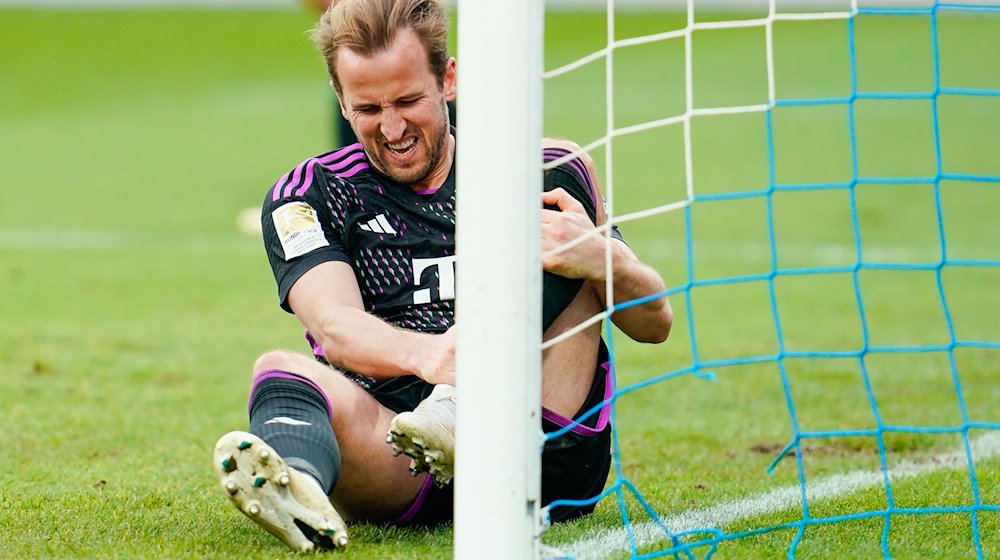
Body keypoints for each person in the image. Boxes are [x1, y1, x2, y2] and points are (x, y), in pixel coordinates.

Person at [212, 0, 672, 552]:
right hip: (405, 457)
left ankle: (453, 413)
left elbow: (654, 324)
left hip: (542, 452)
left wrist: (606, 260)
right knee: (278, 369)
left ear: (448, 79)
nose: (392, 126)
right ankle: (299, 485)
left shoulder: (543, 171)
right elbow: (335, 326)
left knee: (552, 236)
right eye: (368, 108)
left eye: (408, 100)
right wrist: (441, 360)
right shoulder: (309, 195)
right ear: (340, 99)